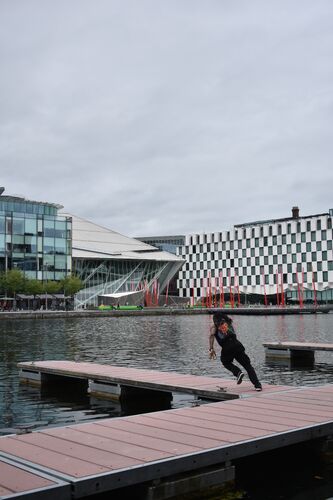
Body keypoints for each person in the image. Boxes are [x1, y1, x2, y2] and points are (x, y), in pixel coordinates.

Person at [209, 312, 262, 391]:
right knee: (248, 365)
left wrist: (211, 348)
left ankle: (238, 373)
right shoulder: (229, 322)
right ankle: (257, 385)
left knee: (226, 362)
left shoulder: (214, 326)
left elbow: (211, 335)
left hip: (227, 347)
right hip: (237, 345)